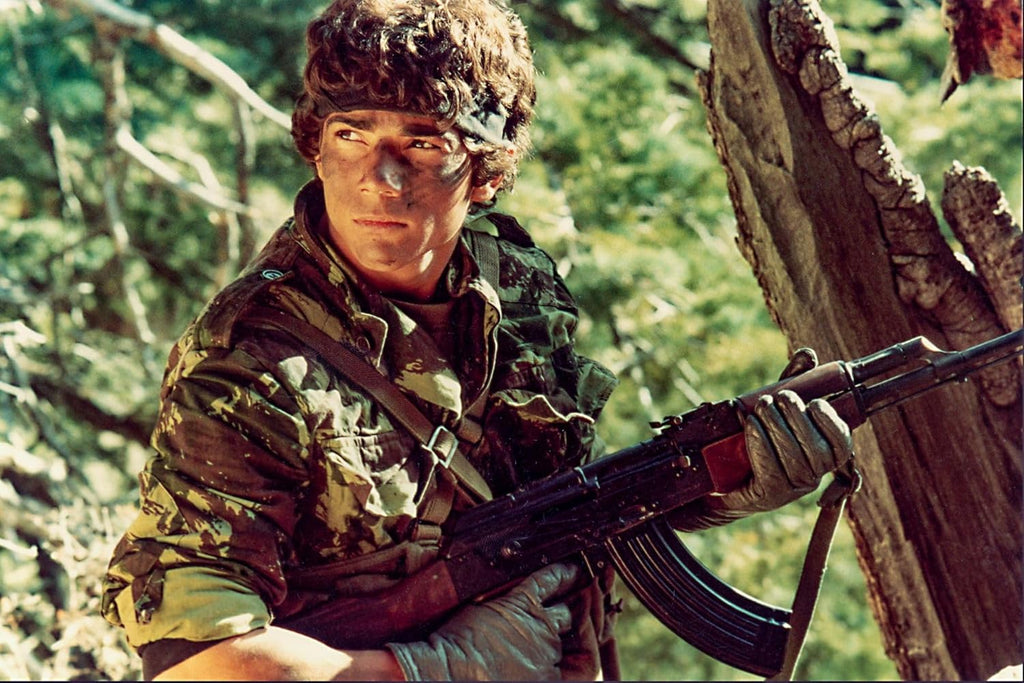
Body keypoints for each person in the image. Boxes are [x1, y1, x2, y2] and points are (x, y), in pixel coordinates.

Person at [100, 0, 855, 680]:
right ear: (316, 147)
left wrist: (721, 481)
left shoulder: (513, 284)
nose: (381, 177)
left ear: (487, 171)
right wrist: (435, 671)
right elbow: (194, 662)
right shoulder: (251, 361)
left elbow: (564, 520)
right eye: (351, 135)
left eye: (423, 144)